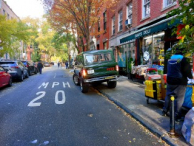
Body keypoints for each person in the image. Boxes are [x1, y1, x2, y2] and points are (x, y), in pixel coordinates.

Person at [162, 47, 193, 121]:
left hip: (170, 80)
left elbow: (166, 70)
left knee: (168, 95)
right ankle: (177, 115)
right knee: (179, 98)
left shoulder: (170, 58)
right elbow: (187, 70)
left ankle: (165, 111)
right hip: (180, 82)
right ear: (183, 52)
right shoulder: (183, 59)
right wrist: (190, 76)